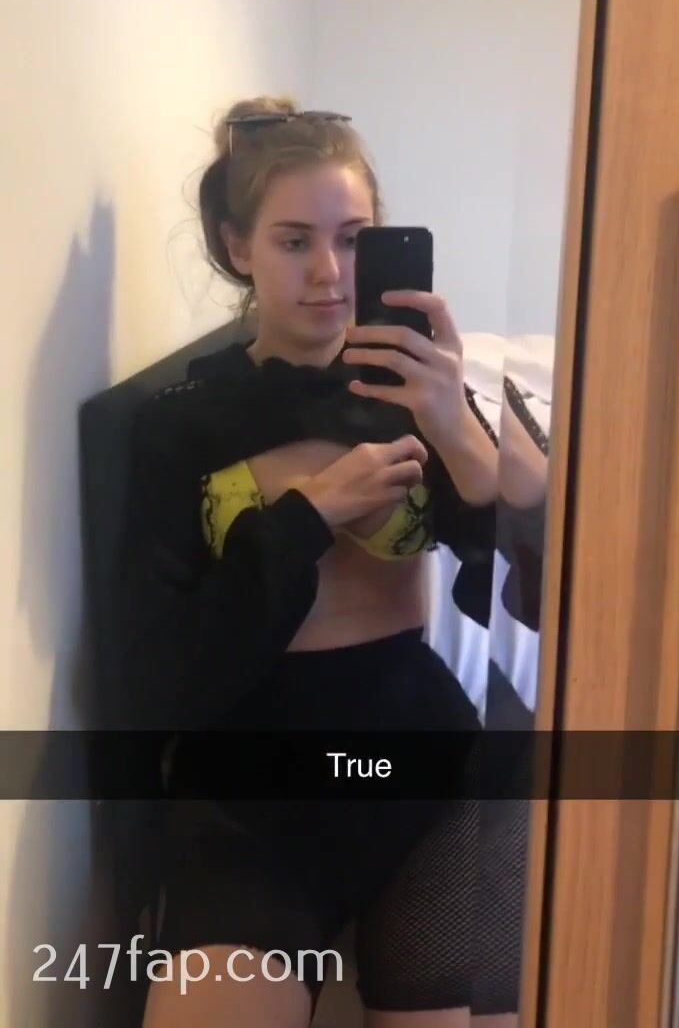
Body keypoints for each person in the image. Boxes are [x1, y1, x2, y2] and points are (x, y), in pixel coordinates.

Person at [114, 97, 521, 1027]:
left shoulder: (419, 390)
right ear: (237, 246)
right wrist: (305, 518)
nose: (330, 273)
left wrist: (457, 423)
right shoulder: (179, 425)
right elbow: (159, 675)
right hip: (250, 795)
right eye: (294, 241)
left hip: (421, 771)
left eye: (353, 239)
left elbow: (525, 579)